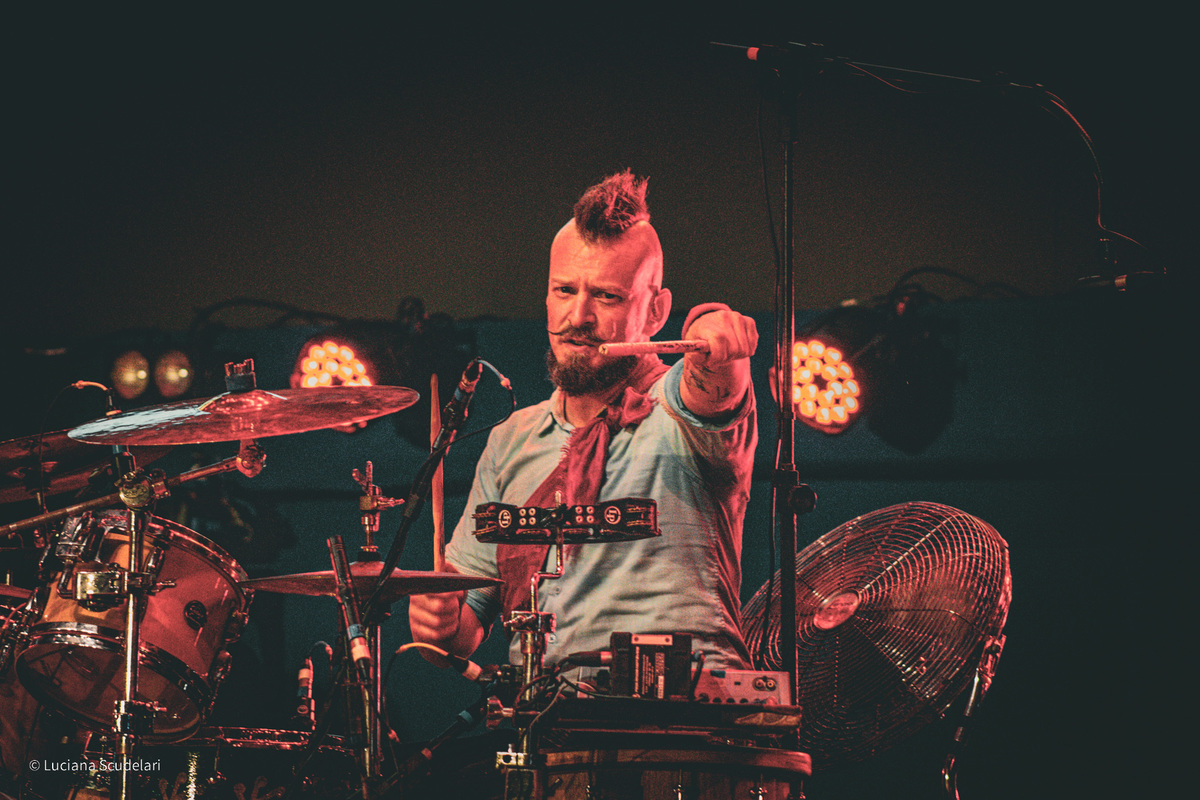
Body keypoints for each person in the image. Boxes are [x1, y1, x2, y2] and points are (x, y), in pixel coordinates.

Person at [408, 170, 758, 673]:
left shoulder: (677, 410)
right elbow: (466, 629)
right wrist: (440, 627)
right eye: (564, 290)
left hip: (683, 710)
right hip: (545, 711)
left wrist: (714, 331)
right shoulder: (510, 440)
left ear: (656, 312)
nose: (578, 317)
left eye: (608, 296)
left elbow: (716, 384)